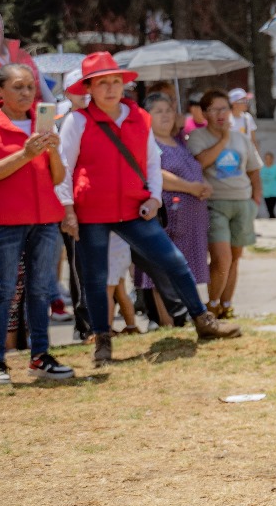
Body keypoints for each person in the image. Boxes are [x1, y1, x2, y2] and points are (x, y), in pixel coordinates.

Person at [58, 53, 240, 364]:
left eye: (116, 82)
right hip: (92, 212)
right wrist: (67, 209)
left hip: (134, 208)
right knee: (95, 277)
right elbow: (64, 166)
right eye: (103, 83)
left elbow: (152, 162)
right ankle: (102, 339)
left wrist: (155, 197)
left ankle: (202, 320)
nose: (112, 89)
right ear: (89, 87)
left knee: (174, 261)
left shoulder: (139, 117)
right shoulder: (77, 121)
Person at [0, 63, 74, 383]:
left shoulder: (42, 126)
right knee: (3, 291)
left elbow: (58, 177)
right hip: (7, 221)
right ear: (0, 92)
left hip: (45, 219)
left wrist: (53, 152)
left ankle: (40, 356)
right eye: (18, 86)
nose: (27, 92)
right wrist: (27, 154)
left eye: (30, 86)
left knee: (41, 290)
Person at [186, 89, 263, 319]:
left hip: (242, 202)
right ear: (204, 113)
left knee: (235, 257)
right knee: (222, 257)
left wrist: (255, 199)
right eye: (214, 109)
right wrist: (223, 140)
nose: (221, 114)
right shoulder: (198, 138)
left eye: (224, 108)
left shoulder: (242, 138)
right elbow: (200, 162)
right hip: (214, 204)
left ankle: (226, 305)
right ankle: (211, 304)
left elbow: (253, 170)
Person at [138, 92, 211, 327]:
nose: (165, 115)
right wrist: (190, 187)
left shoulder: (179, 140)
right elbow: (156, 174)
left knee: (183, 268)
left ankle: (185, 315)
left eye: (168, 110)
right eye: (158, 111)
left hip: (191, 216)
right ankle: (166, 320)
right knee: (164, 269)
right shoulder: (149, 142)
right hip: (169, 215)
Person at [260, 152, 276, 218]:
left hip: (274, 191)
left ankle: (272, 219)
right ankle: (273, 220)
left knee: (271, 208)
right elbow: (260, 179)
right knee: (269, 208)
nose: (268, 160)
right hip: (265, 191)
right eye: (266, 158)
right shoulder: (262, 168)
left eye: (269, 158)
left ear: (272, 159)